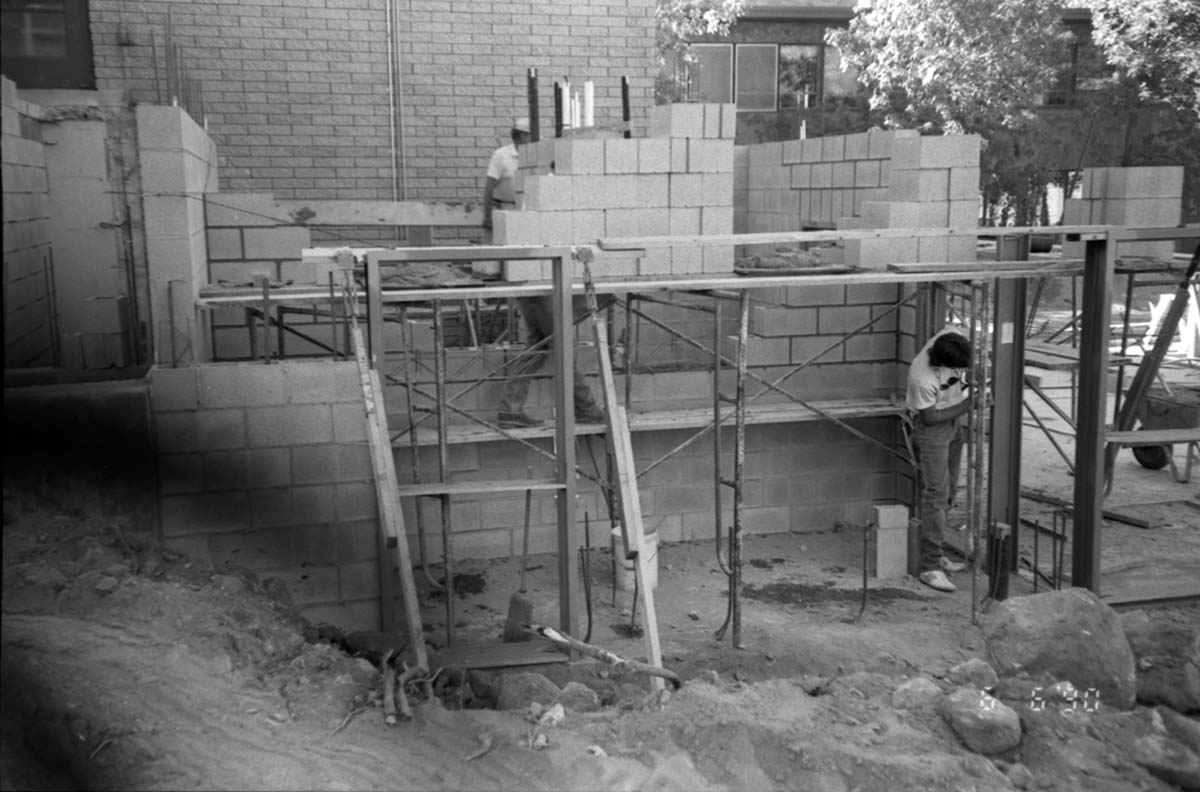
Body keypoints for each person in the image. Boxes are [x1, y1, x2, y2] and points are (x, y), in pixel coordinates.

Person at [481, 117, 609, 429]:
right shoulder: (529, 197)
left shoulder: (541, 198)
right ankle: (587, 408)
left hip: (539, 281)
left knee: (539, 345)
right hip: (540, 282)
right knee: (560, 344)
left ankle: (511, 409)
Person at [906, 327, 975, 592]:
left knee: (948, 492)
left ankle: (938, 552)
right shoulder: (922, 378)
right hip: (932, 429)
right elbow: (930, 418)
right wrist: (971, 404)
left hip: (952, 419)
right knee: (935, 494)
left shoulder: (951, 335)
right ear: (943, 364)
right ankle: (929, 566)